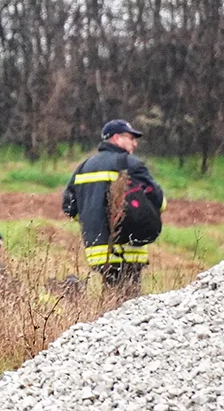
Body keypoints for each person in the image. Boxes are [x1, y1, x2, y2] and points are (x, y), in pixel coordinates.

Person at [62, 119, 166, 302]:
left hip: (97, 251)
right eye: (131, 138)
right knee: (128, 307)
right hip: (127, 248)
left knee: (110, 303)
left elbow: (69, 206)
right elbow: (159, 200)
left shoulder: (84, 167)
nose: (135, 143)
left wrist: (92, 219)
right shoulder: (129, 164)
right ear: (117, 138)